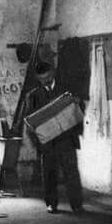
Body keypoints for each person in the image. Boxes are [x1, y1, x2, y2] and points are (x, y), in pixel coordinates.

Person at [23, 61, 84, 214]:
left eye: (49, 77)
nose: (46, 81)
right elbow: (30, 120)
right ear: (38, 78)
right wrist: (37, 144)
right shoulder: (33, 96)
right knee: (49, 174)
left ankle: (76, 204)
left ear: (53, 73)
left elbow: (79, 110)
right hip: (47, 143)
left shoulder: (66, 90)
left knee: (71, 172)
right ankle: (51, 203)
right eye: (43, 79)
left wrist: (78, 102)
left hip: (66, 139)